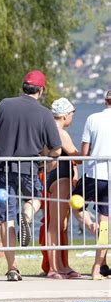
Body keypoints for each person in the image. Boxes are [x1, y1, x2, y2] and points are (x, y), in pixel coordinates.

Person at [0, 70, 62, 281]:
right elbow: (56, 148)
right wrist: (47, 157)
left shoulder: (4, 104)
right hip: (28, 168)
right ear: (41, 90)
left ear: (23, 87)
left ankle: (12, 267)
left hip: (2, 168)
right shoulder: (45, 113)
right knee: (36, 199)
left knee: (5, 218)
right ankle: (27, 214)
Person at [40, 98, 82, 279]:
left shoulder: (44, 130)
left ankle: (61, 265)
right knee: (56, 224)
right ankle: (55, 268)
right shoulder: (61, 133)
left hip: (49, 178)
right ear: (65, 115)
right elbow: (78, 157)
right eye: (72, 114)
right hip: (60, 178)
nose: (72, 117)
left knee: (59, 224)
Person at [73, 90, 111, 280]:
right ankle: (98, 267)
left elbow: (84, 152)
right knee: (105, 222)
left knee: (74, 203)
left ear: (105, 101)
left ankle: (90, 225)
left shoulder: (93, 118)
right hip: (110, 177)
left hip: (94, 174)